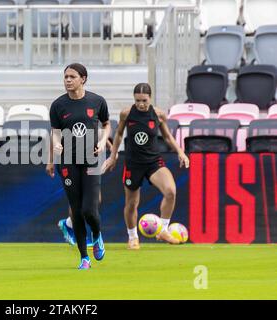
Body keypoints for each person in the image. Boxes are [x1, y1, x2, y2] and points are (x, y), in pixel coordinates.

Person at [103, 83, 190, 250]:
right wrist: (113, 156)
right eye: (137, 101)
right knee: (131, 203)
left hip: (153, 161)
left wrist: (181, 152)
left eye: (144, 100)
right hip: (133, 163)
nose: (141, 104)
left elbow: (167, 136)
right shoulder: (126, 114)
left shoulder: (158, 114)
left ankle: (163, 231)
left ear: (150, 98)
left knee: (171, 191)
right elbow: (119, 133)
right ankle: (133, 237)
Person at [46, 63, 111, 270]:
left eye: (72, 77)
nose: (67, 80)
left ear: (83, 78)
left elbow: (107, 124)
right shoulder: (58, 105)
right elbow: (55, 131)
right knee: (76, 210)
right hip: (67, 161)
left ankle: (98, 235)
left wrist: (102, 142)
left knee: (89, 210)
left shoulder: (97, 101)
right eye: (65, 76)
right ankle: (84, 258)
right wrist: (56, 144)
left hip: (91, 160)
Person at [57, 138, 114, 247]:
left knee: (96, 199)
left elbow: (97, 127)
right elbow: (55, 133)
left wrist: (110, 146)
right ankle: (79, 236)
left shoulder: (93, 122)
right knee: (78, 198)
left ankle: (69, 223)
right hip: (70, 158)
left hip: (87, 154)